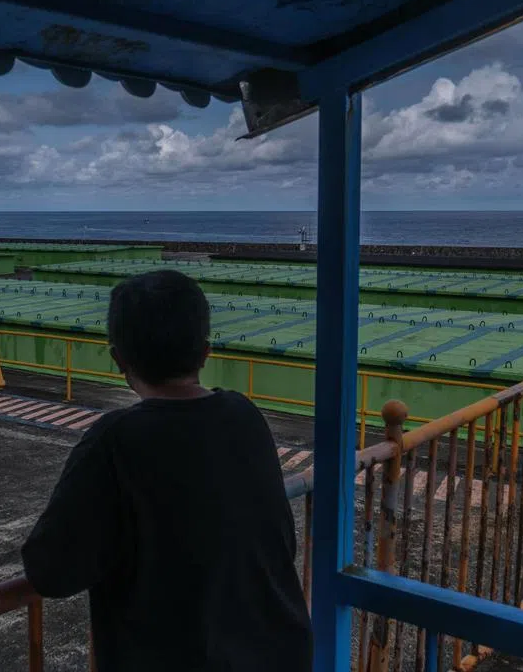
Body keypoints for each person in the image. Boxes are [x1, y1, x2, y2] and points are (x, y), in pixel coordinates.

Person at [21, 270, 312, 672]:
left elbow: (49, 571)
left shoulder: (115, 440)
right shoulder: (245, 415)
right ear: (205, 352)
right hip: (282, 654)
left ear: (118, 359)